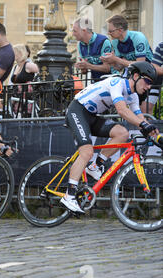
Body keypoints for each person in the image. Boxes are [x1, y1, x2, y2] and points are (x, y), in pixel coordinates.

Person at [60, 61, 159, 214]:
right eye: (147, 81)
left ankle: (95, 166)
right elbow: (121, 110)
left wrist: (155, 134)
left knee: (122, 133)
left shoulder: (132, 96)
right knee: (86, 152)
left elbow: (139, 117)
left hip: (91, 116)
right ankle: (69, 195)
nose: (149, 87)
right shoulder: (117, 83)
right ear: (136, 76)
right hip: (77, 110)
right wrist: (143, 125)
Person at [72, 17, 112, 82]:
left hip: (110, 82)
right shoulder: (80, 44)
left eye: (75, 31)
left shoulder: (103, 41)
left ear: (84, 30)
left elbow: (107, 68)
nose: (73, 34)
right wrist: (82, 67)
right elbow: (85, 71)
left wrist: (88, 65)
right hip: (95, 83)